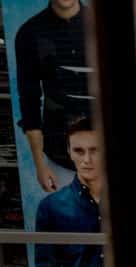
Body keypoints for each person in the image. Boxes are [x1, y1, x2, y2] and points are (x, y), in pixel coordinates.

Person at [15, 0, 92, 194]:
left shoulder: (102, 25)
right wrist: (40, 165)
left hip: (111, 154)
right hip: (60, 161)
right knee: (67, 222)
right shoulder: (30, 33)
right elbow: (29, 102)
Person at [34, 116, 105, 267]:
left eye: (95, 150)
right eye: (79, 151)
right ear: (69, 152)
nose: (87, 160)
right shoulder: (51, 207)